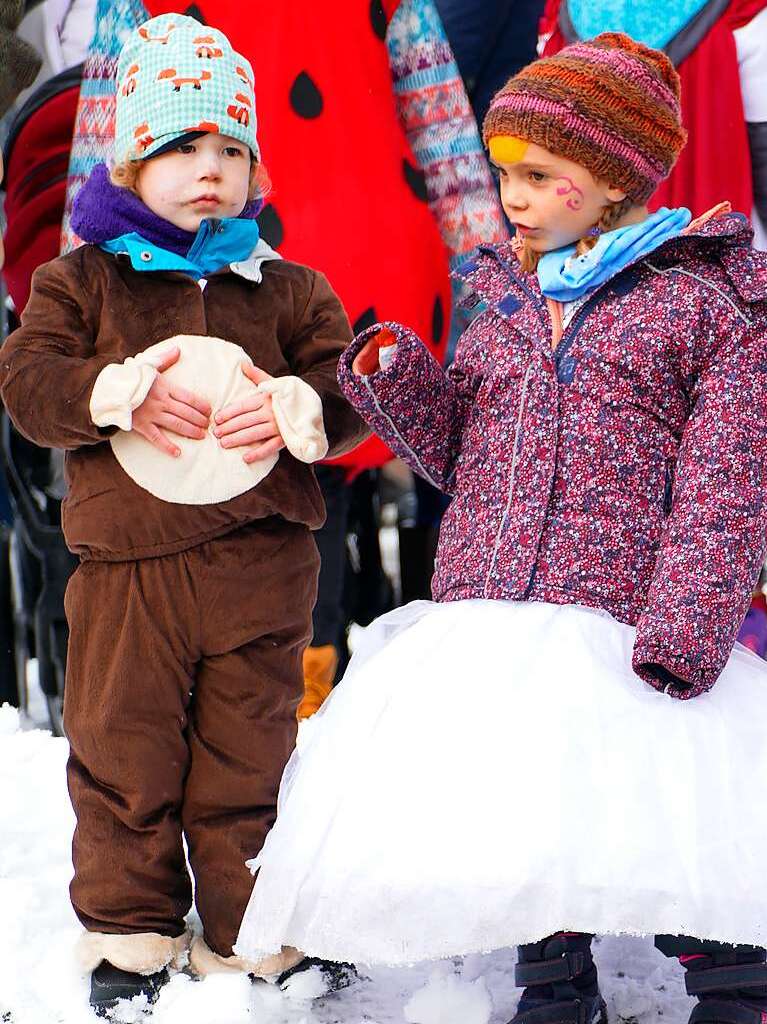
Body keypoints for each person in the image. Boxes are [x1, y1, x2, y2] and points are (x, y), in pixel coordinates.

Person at [235, 32, 767, 1024]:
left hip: (630, 608)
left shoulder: (702, 304)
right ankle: (550, 979)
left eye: (537, 174)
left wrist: (690, 620)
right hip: (499, 606)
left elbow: (725, 483)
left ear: (610, 179)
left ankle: (732, 978)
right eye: (501, 172)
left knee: (673, 792)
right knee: (520, 801)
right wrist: (403, 383)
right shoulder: (505, 300)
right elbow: (471, 450)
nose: (509, 194)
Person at [0, 10, 366, 1016]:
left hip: (260, 574)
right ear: (126, 157)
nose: (207, 166)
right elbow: (28, 382)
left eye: (230, 146)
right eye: (178, 144)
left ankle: (250, 925)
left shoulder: (288, 290)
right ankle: (130, 924)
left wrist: (306, 406)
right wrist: (107, 390)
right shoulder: (77, 283)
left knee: (250, 756)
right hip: (130, 577)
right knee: (125, 751)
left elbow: (349, 388)